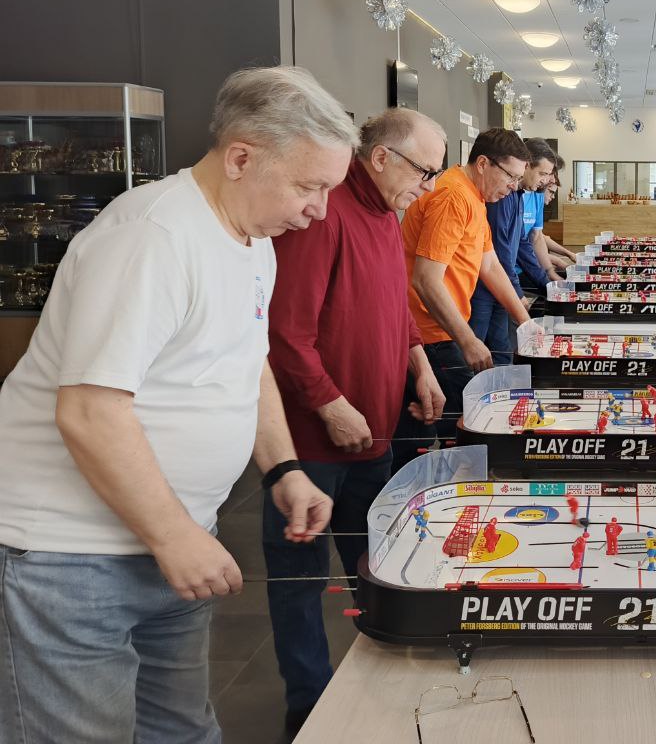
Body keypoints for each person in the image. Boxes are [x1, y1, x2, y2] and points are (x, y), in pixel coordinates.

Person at [0, 66, 352, 743]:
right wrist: (172, 535)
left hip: (173, 539)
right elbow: (90, 412)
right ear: (241, 158)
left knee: (181, 731)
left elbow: (246, 363)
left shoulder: (254, 241)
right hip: (71, 557)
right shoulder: (152, 236)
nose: (319, 209)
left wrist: (282, 468)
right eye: (308, 186)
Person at [262, 107, 448, 737]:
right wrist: (330, 404)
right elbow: (286, 333)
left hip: (375, 434)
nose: (427, 187)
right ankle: (309, 709)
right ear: (382, 157)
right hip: (312, 446)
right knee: (300, 583)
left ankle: (384, 693)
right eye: (423, 171)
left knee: (378, 568)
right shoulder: (324, 213)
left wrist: (420, 367)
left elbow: (396, 308)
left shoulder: (386, 214)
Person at [397, 128, 532, 462]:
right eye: (511, 176)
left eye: (518, 179)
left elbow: (490, 265)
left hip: (447, 328)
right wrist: (468, 340)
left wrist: (526, 324)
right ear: (483, 163)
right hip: (430, 333)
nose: (514, 187)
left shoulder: (474, 197)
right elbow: (426, 281)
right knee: (465, 429)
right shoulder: (452, 196)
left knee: (444, 421)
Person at [471, 138, 556, 362]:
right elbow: (500, 252)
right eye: (542, 173)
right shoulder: (501, 197)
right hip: (483, 288)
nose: (545, 180)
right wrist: (517, 292)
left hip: (501, 284)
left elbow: (522, 244)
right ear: (527, 166)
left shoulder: (517, 196)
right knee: (475, 352)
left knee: (502, 350)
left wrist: (546, 284)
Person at [515, 140, 564, 315]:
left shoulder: (536, 194)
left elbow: (535, 238)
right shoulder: (513, 193)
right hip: (512, 271)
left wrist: (549, 271)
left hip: (525, 266)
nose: (552, 179)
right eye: (548, 174)